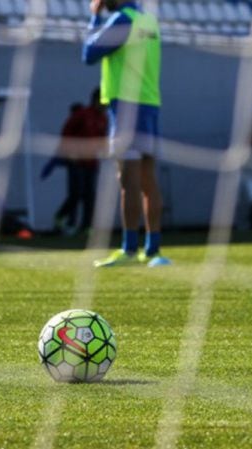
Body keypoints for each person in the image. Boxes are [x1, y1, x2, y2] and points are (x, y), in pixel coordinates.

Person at [83, 0, 169, 267]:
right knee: (148, 181)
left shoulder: (122, 20)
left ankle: (129, 249)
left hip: (126, 108)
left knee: (127, 181)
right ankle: (153, 250)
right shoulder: (148, 21)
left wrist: (95, 17)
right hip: (150, 105)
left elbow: (88, 53)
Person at [43, 89, 107, 235]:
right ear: (96, 100)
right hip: (76, 161)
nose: (106, 105)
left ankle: (86, 227)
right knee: (76, 193)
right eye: (103, 101)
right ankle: (60, 217)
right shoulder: (82, 114)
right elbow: (66, 132)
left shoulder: (103, 118)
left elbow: (101, 138)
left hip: (92, 162)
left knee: (90, 195)